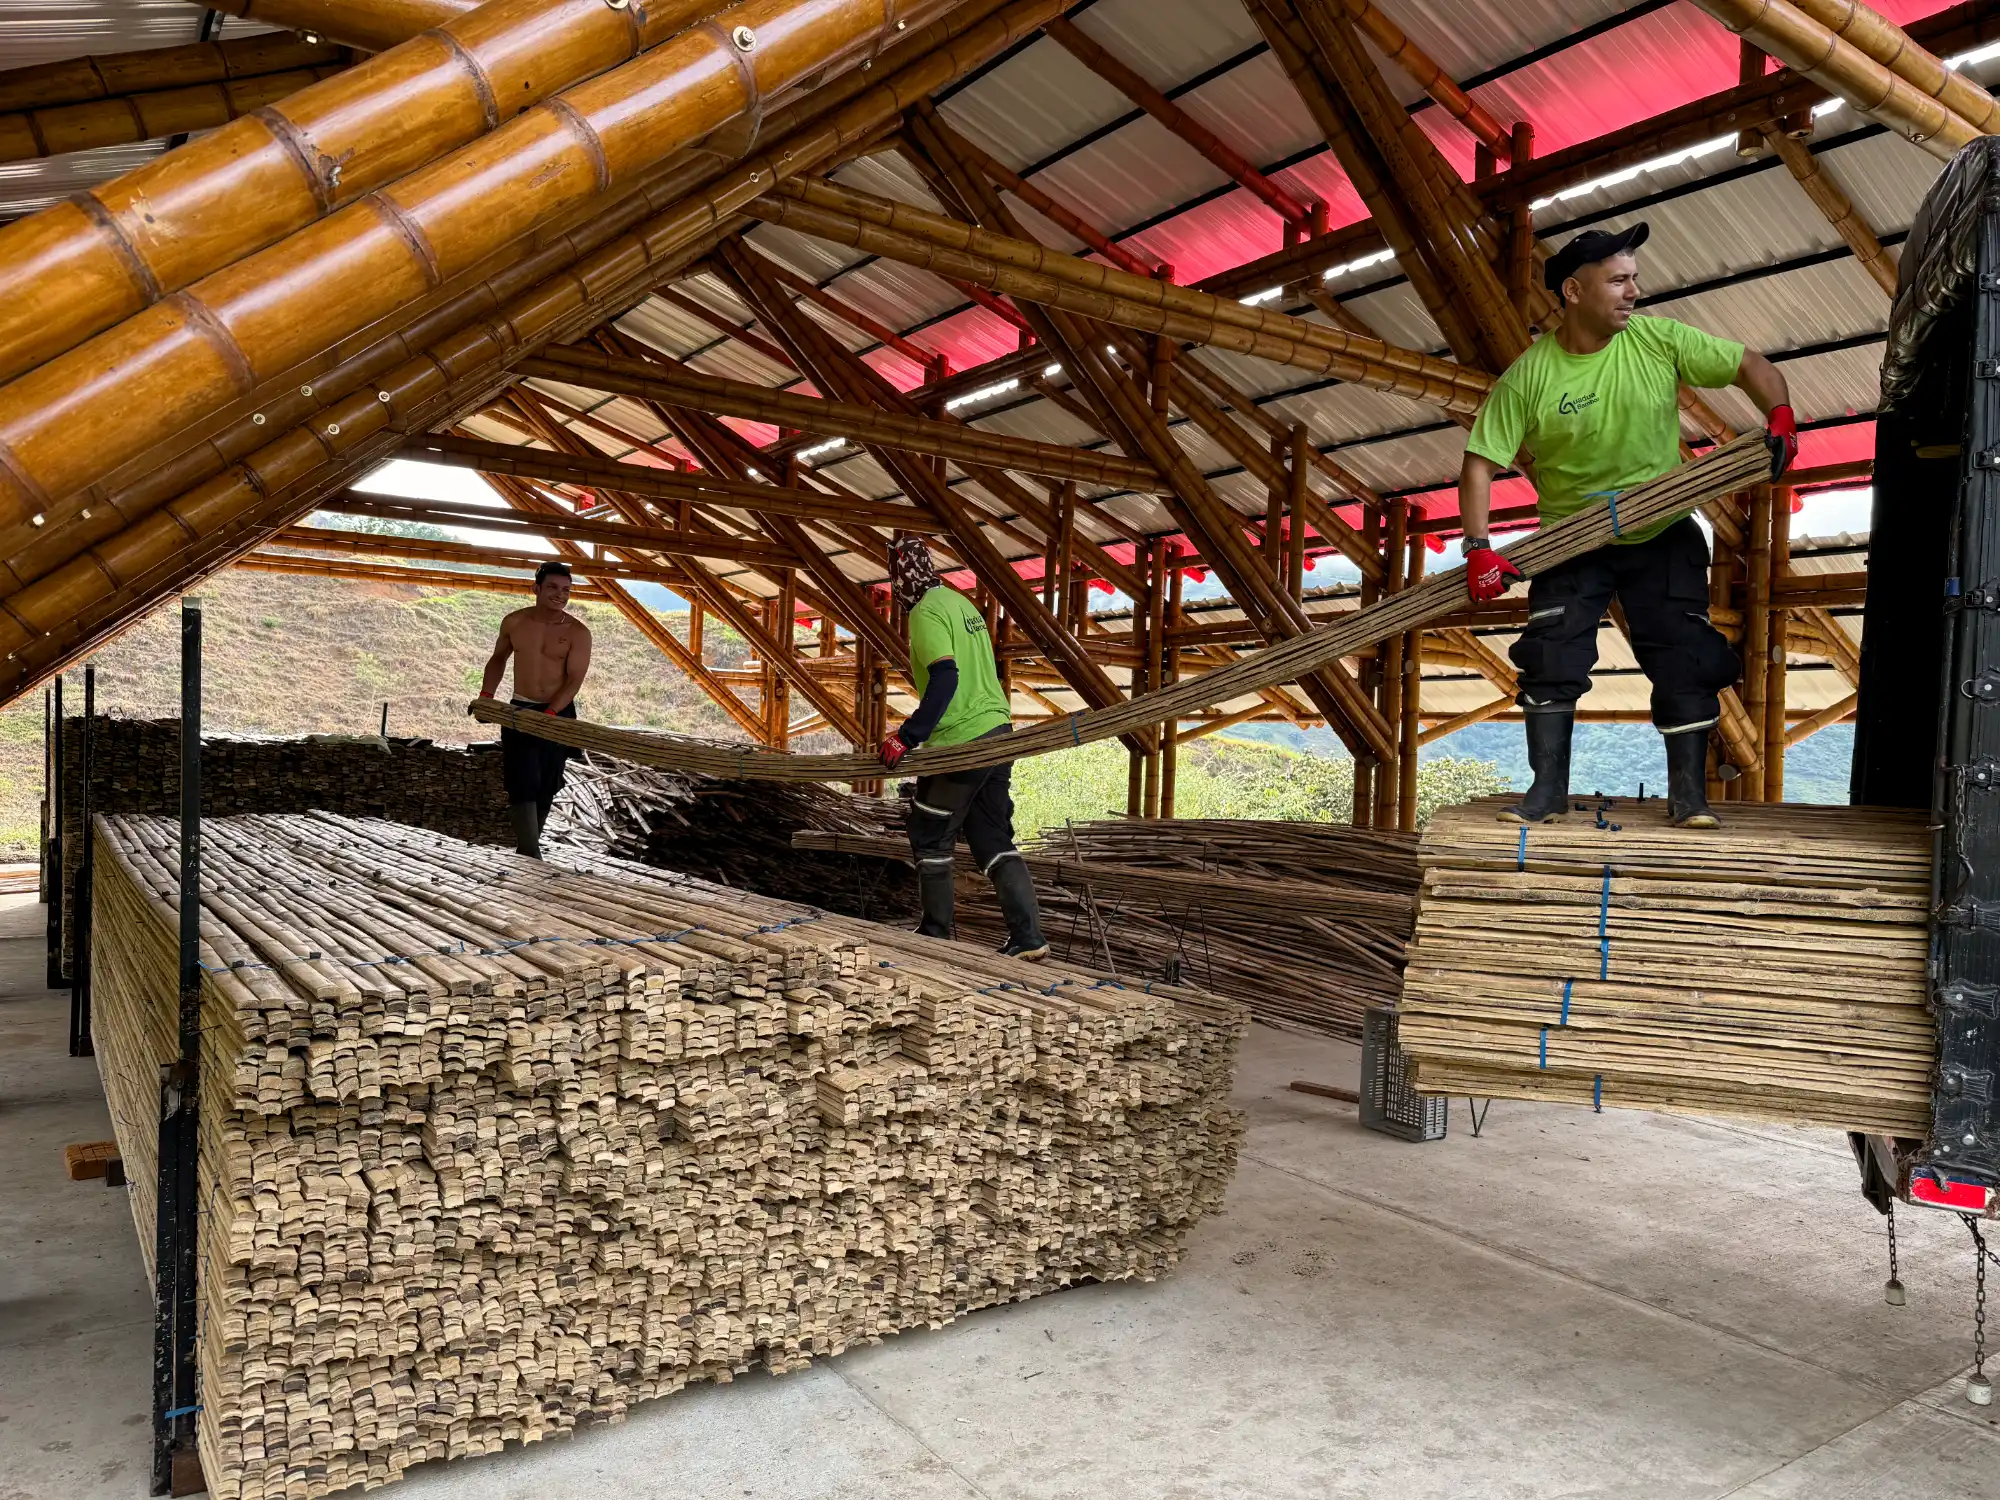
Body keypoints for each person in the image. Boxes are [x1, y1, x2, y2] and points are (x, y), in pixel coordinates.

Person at [1456, 222, 1797, 830]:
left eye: (1635, 278)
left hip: (1661, 529)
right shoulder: (1530, 377)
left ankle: (1689, 799)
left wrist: (1780, 413)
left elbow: (1750, 365)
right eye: (1618, 280)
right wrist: (1479, 549)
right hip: (1571, 540)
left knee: (1686, 656)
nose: (1633, 291)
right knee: (1551, 655)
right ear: (1573, 291)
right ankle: (1546, 793)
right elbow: (1480, 462)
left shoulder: (1658, 341)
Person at [878, 535, 1048, 960]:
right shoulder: (961, 603)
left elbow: (946, 678)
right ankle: (1028, 938)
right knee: (990, 833)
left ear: (902, 578)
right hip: (997, 731)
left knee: (930, 833)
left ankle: (935, 933)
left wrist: (908, 736)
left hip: (961, 742)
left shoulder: (925, 611)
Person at [472, 560, 592, 858]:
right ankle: (529, 850)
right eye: (552, 587)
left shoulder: (578, 632)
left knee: (546, 781)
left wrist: (550, 715)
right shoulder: (515, 622)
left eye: (566, 590)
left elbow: (574, 680)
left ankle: (529, 848)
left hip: (558, 712)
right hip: (520, 709)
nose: (560, 595)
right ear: (536, 588)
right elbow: (498, 659)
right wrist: (486, 696)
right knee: (521, 778)